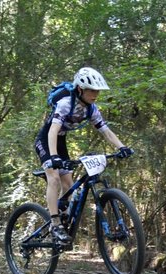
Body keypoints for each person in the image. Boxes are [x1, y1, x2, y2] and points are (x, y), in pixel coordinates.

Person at [34, 66, 134, 245]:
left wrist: (122, 147)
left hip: (61, 141)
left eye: (97, 91)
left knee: (69, 185)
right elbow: (53, 130)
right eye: (91, 90)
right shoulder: (66, 103)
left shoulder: (91, 109)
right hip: (47, 139)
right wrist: (54, 157)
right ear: (80, 89)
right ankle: (55, 223)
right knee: (55, 178)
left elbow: (106, 131)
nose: (95, 94)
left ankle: (64, 216)